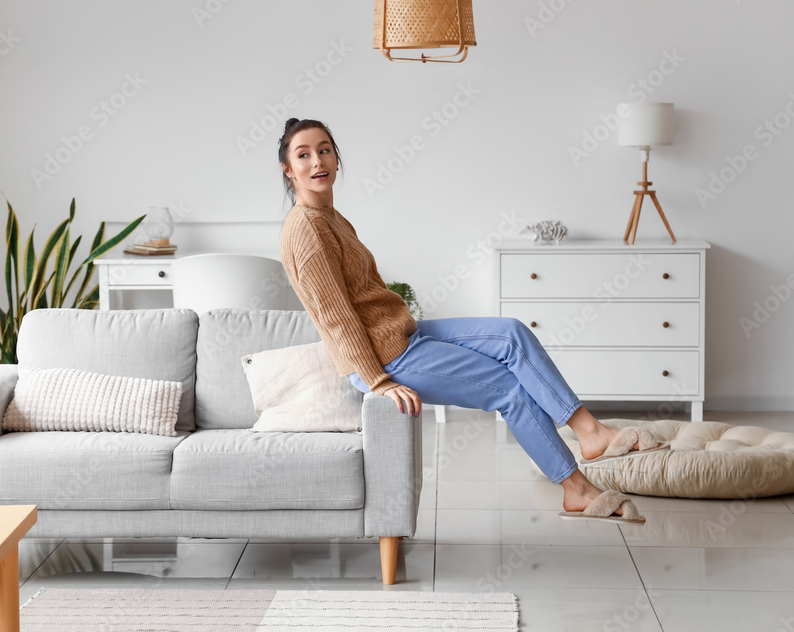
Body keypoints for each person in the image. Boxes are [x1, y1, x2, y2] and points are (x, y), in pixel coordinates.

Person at [277, 117, 666, 523]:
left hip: (398, 335)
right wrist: (377, 381)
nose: (317, 161)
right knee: (510, 390)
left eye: (324, 150)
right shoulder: (306, 228)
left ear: (336, 158)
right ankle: (577, 491)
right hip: (382, 357)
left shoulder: (331, 217)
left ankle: (591, 433)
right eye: (303, 155)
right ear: (289, 170)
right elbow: (336, 318)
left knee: (511, 334)